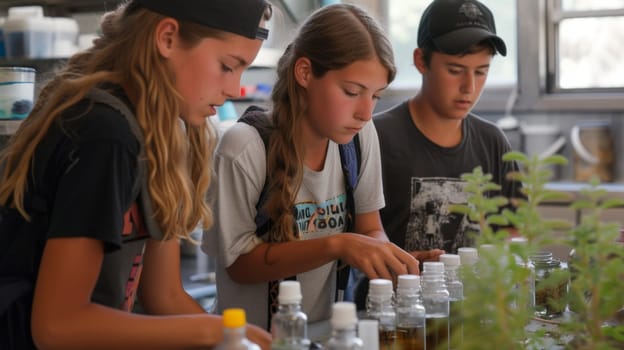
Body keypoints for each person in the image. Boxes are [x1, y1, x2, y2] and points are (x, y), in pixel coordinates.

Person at [0, 1, 273, 349]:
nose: (234, 89)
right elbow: (57, 325)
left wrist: (240, 337)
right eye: (227, 66)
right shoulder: (103, 133)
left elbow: (164, 296)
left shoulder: (158, 131)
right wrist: (212, 332)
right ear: (168, 37)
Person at [203, 3, 419, 332]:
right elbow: (238, 265)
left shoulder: (360, 138)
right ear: (304, 73)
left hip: (325, 333)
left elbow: (368, 227)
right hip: (250, 339)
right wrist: (338, 243)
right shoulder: (245, 147)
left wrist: (389, 258)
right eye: (352, 91)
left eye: (375, 96)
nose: (364, 111)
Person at [374, 0, 522, 258]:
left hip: (478, 297)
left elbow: (515, 229)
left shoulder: (493, 142)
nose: (469, 87)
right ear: (421, 61)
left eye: (481, 72)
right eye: (455, 70)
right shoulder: (377, 137)